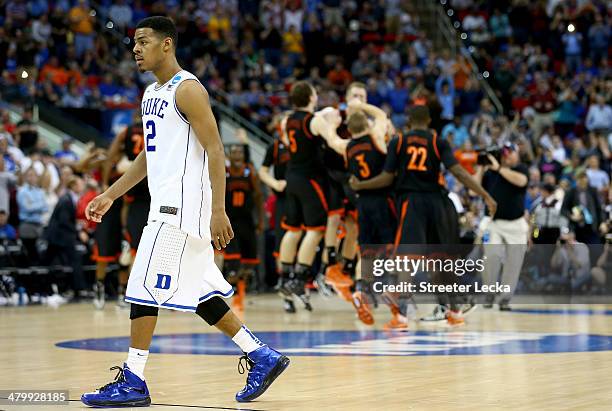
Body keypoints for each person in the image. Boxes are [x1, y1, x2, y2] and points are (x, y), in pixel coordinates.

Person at [81, 17, 289, 408]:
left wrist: (218, 209)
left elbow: (216, 150)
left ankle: (134, 378)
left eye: (143, 41)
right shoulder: (149, 94)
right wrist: (109, 194)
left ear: (167, 44)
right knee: (198, 294)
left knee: (143, 288)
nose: (136, 49)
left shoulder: (189, 90)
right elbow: (148, 156)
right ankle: (261, 355)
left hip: (180, 210)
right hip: (167, 207)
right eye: (134, 43)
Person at [351, 105, 497, 326]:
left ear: (408, 120)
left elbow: (387, 178)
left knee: (405, 260)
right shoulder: (438, 142)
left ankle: (400, 314)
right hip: (440, 204)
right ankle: (455, 311)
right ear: (429, 120)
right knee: (442, 261)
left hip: (413, 202)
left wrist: (360, 184)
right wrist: (485, 195)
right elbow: (458, 172)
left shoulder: (398, 142)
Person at [277, 81, 347, 311]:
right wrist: (354, 145)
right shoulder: (313, 120)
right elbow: (334, 142)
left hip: (292, 177)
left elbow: (289, 142)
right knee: (315, 230)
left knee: (293, 230)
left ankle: (284, 276)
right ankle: (299, 277)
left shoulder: (287, 121)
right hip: (310, 179)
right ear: (310, 97)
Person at [344, 103, 400, 328]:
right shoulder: (375, 135)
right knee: (392, 248)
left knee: (365, 252)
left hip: (362, 204)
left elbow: (331, 139)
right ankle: (391, 287)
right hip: (382, 199)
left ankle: (361, 291)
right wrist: (362, 106)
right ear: (367, 125)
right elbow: (382, 115)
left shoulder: (346, 147)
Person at [476, 142, 529, 310]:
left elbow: (521, 182)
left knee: (514, 263)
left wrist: (498, 168)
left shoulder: (521, 169)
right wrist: (480, 167)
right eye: (505, 153)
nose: (508, 156)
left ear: (517, 154)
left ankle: (505, 299)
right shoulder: (490, 173)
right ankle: (489, 293)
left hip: (516, 224)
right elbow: (473, 190)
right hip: (494, 223)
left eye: (511, 153)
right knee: (491, 256)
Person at [223, 144, 264, 315]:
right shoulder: (224, 172)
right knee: (232, 262)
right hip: (229, 221)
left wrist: (261, 220)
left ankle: (241, 291)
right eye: (234, 152)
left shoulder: (250, 172)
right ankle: (234, 292)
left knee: (248, 263)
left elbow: (258, 196)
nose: (237, 154)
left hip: (246, 220)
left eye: (240, 151)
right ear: (229, 156)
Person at [258, 119, 293, 312]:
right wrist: (274, 183)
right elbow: (263, 171)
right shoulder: (275, 147)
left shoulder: (304, 144)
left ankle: (299, 283)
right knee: (281, 245)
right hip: (283, 200)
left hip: (301, 198)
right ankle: (285, 288)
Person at [44, 176, 87, 297]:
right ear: (73, 186)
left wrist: (77, 223)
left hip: (60, 236)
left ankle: (72, 288)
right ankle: (79, 289)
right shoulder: (66, 200)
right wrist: (78, 230)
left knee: (49, 262)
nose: (82, 187)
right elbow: (64, 221)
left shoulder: (68, 198)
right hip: (60, 236)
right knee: (74, 260)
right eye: (80, 184)